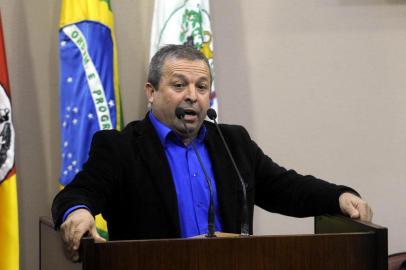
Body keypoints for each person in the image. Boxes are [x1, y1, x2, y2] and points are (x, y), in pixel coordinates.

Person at [52, 44, 373, 262]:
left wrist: (338, 197)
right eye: (179, 85)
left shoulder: (232, 143)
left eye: (202, 87)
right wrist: (78, 213)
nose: (192, 96)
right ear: (151, 92)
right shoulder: (121, 147)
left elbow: (284, 187)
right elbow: (78, 193)